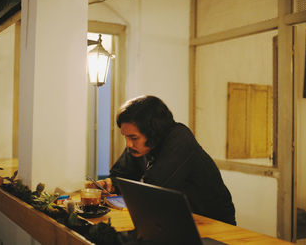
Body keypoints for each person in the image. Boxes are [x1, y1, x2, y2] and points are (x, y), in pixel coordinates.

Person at [94, 95, 236, 225]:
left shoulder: (180, 140)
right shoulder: (140, 146)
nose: (128, 144)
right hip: (177, 219)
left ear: (153, 132)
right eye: (125, 136)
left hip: (212, 222)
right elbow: (121, 175)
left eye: (133, 137)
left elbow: (152, 190)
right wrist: (110, 184)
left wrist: (120, 186)